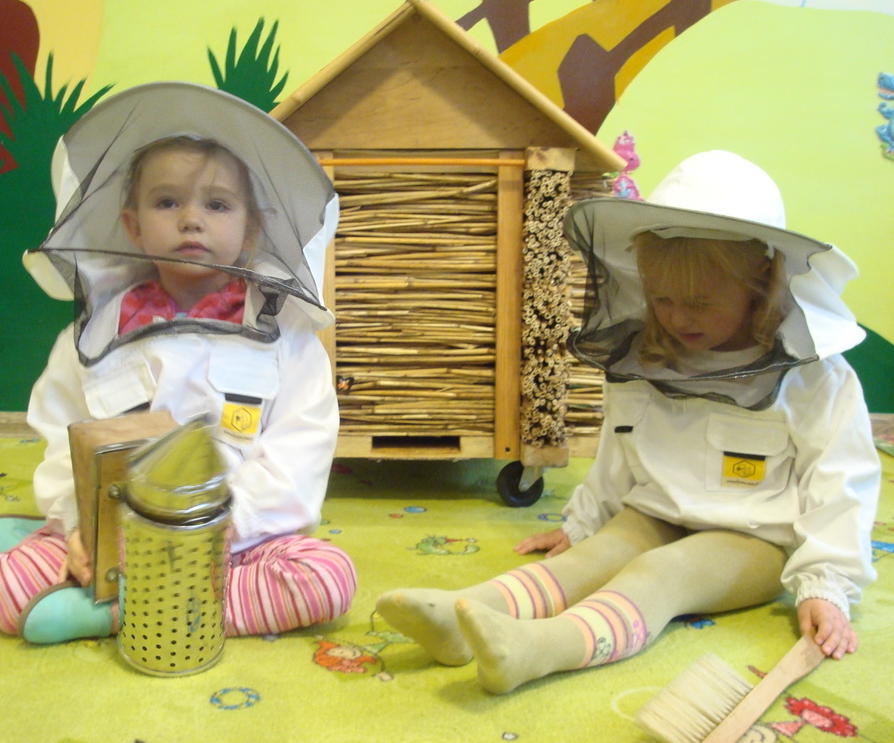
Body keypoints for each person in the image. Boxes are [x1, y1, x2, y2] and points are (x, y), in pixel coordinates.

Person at [376, 151, 880, 694]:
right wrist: (582, 523)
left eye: (699, 302)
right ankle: (462, 615)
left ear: (762, 277)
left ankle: (540, 649)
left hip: (752, 540)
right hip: (654, 512)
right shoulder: (646, 357)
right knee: (596, 557)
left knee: (660, 574)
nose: (678, 317)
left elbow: (841, 482)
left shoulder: (815, 377)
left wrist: (826, 584)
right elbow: (618, 452)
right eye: (662, 298)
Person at [0, 83, 356, 644]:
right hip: (114, 538)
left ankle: (114, 612)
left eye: (217, 205)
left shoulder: (286, 338)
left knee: (326, 578)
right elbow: (63, 440)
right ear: (133, 226)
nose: (191, 219)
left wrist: (214, 531)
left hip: (236, 542)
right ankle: (71, 556)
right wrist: (77, 527)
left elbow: (298, 456)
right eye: (167, 202)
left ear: (252, 230)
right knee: (4, 589)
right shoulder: (94, 333)